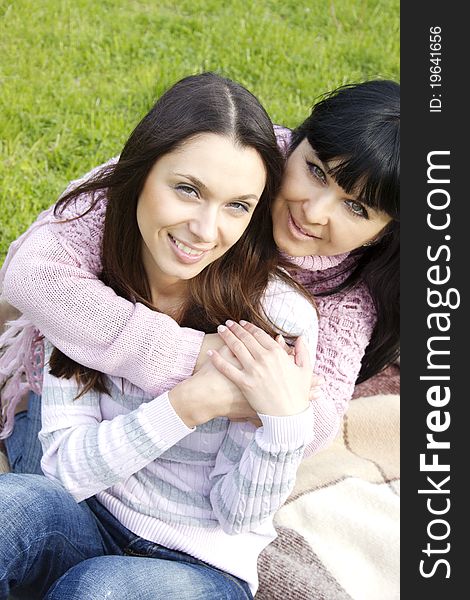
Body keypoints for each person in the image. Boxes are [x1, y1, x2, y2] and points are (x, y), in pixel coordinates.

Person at [0, 72, 319, 599]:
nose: (206, 229)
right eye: (188, 190)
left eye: (237, 205)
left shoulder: (276, 317)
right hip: (89, 513)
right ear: (140, 174)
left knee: (99, 590)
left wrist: (285, 425)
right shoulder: (85, 289)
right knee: (11, 509)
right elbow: (67, 470)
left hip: (199, 562)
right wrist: (189, 404)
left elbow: (236, 514)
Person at [0, 79, 400, 470]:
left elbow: (314, 426)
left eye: (357, 208)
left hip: (195, 467)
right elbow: (34, 275)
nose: (313, 212)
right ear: (297, 143)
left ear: (383, 233)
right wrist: (198, 356)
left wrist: (272, 398)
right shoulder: (232, 156)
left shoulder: (348, 298)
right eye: (316, 172)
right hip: (85, 381)